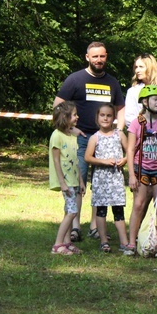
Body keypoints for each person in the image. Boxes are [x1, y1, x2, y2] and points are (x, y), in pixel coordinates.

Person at [53, 41, 125, 243]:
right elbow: (58, 106)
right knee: (77, 183)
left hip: (106, 141)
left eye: (102, 56)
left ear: (106, 57)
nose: (99, 60)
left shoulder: (112, 82)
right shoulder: (75, 79)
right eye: (95, 56)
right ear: (87, 57)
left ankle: (95, 225)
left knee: (100, 184)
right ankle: (74, 227)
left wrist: (118, 129)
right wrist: (70, 128)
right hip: (82, 141)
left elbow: (120, 107)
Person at [124, 85, 157, 257]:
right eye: (155, 99)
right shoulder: (136, 123)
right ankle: (131, 243)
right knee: (138, 205)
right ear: (145, 102)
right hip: (141, 170)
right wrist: (131, 175)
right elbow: (130, 150)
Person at [84, 104, 129, 253]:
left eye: (109, 115)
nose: (105, 118)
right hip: (101, 181)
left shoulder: (119, 134)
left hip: (116, 180)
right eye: (102, 115)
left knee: (118, 211)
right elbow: (87, 157)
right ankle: (103, 241)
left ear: (114, 118)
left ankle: (124, 242)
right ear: (97, 117)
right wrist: (103, 161)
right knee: (101, 211)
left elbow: (130, 151)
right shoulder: (94, 138)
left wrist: (125, 159)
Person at [49, 101, 85, 255]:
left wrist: (81, 181)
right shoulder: (57, 136)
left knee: (68, 211)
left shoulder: (71, 136)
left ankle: (67, 242)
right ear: (65, 117)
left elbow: (75, 160)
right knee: (72, 212)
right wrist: (62, 183)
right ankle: (57, 245)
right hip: (66, 181)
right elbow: (56, 161)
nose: (77, 117)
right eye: (74, 114)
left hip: (73, 180)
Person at [124, 54, 157, 125]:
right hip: (140, 132)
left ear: (150, 68)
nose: (137, 70)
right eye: (136, 67)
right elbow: (129, 117)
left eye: (141, 67)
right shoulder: (133, 91)